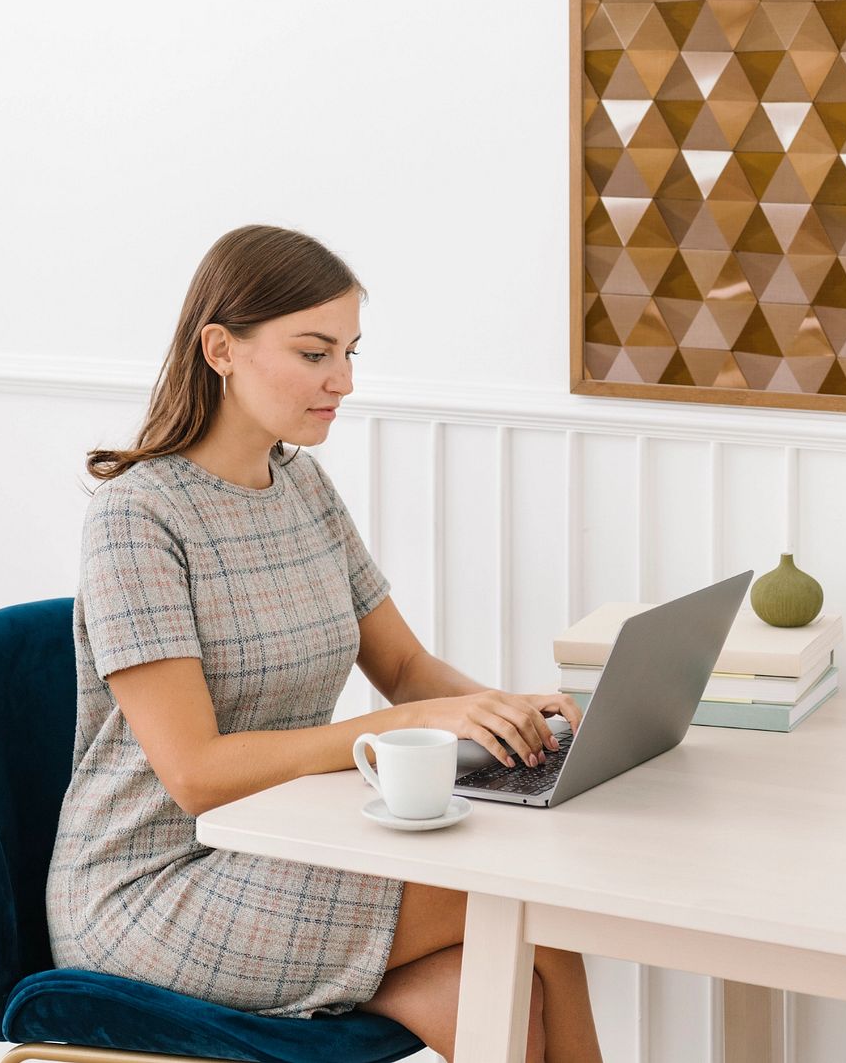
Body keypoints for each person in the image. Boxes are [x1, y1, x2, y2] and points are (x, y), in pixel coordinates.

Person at [46, 225, 604, 1063]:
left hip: (285, 847)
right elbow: (194, 772)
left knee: (510, 1002)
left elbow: (406, 668)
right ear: (220, 348)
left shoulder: (299, 481)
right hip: (153, 887)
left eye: (348, 351)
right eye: (314, 353)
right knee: (527, 902)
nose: (342, 381)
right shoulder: (138, 516)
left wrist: (503, 710)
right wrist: (399, 729)